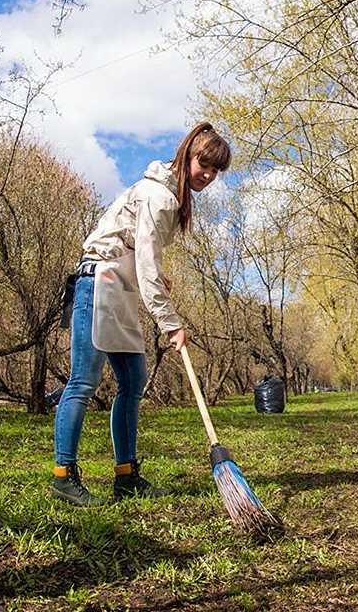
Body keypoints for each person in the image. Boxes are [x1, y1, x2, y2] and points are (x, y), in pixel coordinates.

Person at [52, 122, 231, 506]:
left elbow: (138, 253)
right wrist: (171, 324)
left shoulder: (170, 196)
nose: (210, 176)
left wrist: (156, 277)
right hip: (97, 285)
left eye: (217, 171)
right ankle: (63, 476)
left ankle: (126, 475)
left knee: (133, 380)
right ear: (188, 155)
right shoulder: (159, 196)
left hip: (120, 288)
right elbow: (143, 262)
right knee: (82, 383)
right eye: (206, 164)